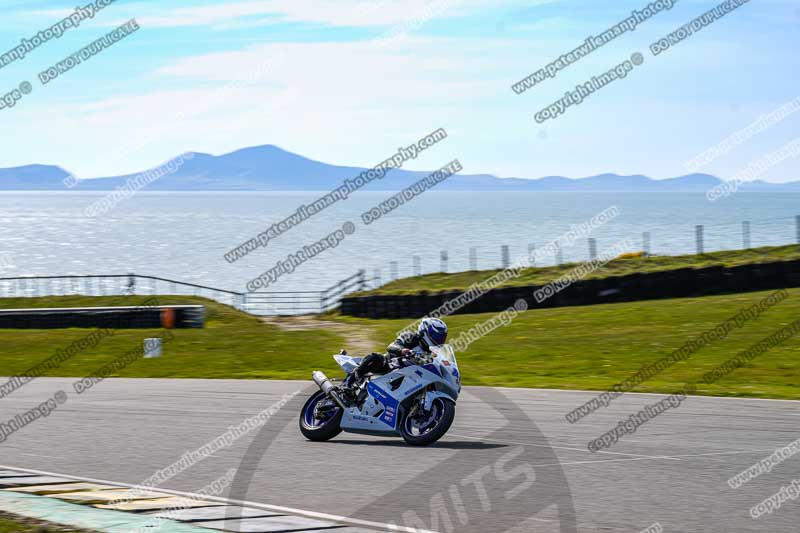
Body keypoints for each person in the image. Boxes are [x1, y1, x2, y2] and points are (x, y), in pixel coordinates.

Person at [342, 318, 448, 392]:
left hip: (409, 377)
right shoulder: (410, 337)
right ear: (425, 331)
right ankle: (348, 383)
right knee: (377, 357)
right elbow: (392, 346)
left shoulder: (433, 353)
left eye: (441, 338)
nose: (439, 340)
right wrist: (402, 350)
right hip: (389, 366)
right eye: (437, 336)